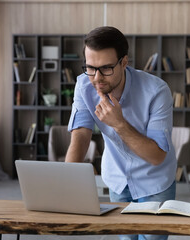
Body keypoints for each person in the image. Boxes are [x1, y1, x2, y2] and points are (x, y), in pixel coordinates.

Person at [65, 26, 177, 240]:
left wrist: (119, 123)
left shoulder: (157, 91)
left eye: (106, 68)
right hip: (117, 178)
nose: (97, 78)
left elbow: (157, 156)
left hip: (154, 181)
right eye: (90, 68)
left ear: (124, 62)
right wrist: (66, 185)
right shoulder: (83, 86)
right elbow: (80, 136)